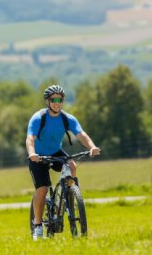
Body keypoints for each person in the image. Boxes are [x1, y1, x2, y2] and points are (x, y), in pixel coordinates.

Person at [26, 85, 100, 240]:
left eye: (60, 99)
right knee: (43, 189)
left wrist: (92, 147)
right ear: (48, 101)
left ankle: (69, 195)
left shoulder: (67, 118)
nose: (57, 103)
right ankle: (38, 226)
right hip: (38, 156)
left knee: (71, 165)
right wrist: (32, 153)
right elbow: (30, 138)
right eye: (54, 100)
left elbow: (81, 135)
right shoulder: (39, 117)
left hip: (55, 152)